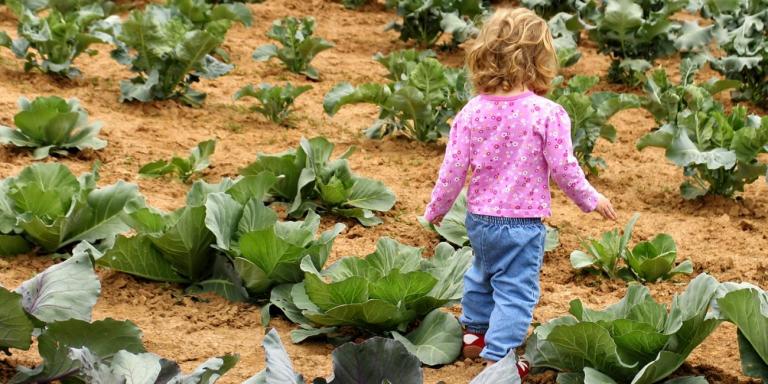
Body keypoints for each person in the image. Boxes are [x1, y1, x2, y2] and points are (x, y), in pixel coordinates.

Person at [423, 7, 617, 380]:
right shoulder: (548, 113)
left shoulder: (471, 111)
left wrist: (435, 211)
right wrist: (591, 199)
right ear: (536, 60)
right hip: (521, 225)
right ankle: (500, 359)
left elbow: (451, 171)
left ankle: (473, 334)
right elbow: (564, 168)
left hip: (478, 220)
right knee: (515, 291)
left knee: (481, 274)